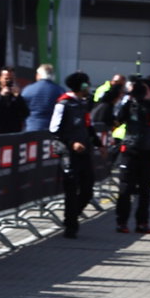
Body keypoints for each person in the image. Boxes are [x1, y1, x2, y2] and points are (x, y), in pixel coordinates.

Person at [113, 79, 150, 235]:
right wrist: (130, 100)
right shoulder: (129, 105)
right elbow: (118, 118)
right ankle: (121, 222)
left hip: (148, 151)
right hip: (130, 149)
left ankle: (142, 222)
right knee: (125, 188)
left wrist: (149, 100)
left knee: (145, 190)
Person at [52, 72, 95, 238]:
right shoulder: (63, 104)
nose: (89, 87)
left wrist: (98, 143)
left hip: (85, 152)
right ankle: (71, 225)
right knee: (71, 189)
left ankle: (71, 217)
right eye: (87, 84)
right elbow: (54, 130)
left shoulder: (83, 104)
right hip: (68, 153)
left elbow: (88, 126)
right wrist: (71, 143)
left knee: (87, 190)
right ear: (81, 86)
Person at [21, 64, 63, 132]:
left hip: (31, 128)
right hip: (51, 130)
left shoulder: (28, 90)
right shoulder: (59, 91)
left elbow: (21, 108)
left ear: (39, 75)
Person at [0, 66, 28, 133]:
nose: (9, 81)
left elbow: (25, 113)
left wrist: (18, 97)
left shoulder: (16, 97)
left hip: (14, 133)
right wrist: (1, 96)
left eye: (11, 79)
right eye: (6, 79)